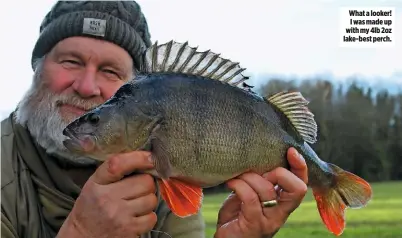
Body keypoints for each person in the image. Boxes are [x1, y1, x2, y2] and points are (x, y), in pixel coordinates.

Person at [1, 1, 308, 238]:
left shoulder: (166, 178)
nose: (86, 86)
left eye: (110, 71)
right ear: (37, 68)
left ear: (135, 93)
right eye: (71, 61)